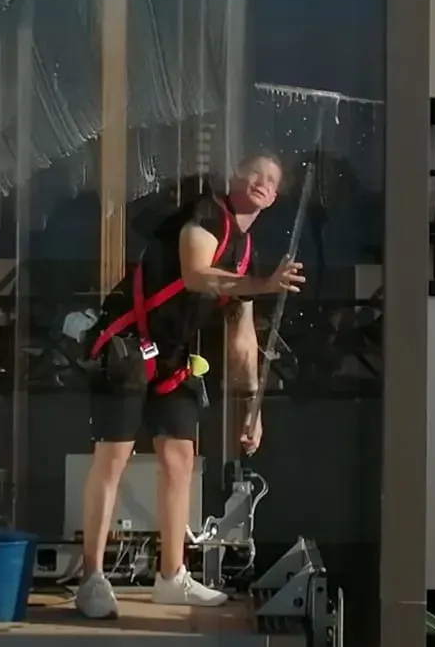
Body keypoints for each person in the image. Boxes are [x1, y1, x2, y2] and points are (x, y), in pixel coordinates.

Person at [74, 152, 305, 618]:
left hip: (173, 357)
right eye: (255, 173)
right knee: (113, 457)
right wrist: (264, 285)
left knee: (179, 458)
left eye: (272, 180)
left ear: (276, 197)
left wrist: (251, 408)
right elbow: (196, 274)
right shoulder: (204, 215)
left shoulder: (246, 253)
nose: (262, 182)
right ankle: (92, 577)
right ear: (235, 177)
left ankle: (171, 576)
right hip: (126, 343)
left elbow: (242, 339)